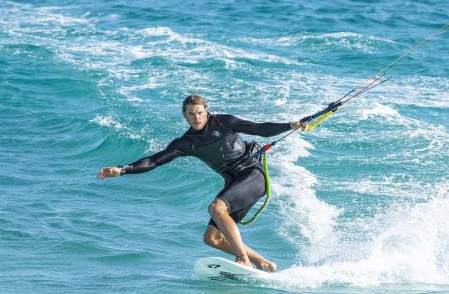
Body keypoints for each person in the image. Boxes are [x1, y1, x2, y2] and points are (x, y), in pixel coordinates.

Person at [98, 95, 306, 272]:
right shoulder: (186, 143)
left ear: (206, 111)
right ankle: (264, 264)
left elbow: (260, 129)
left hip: (253, 174)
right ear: (184, 115)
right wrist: (122, 169)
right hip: (234, 183)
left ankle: (242, 259)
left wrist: (291, 125)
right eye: (191, 114)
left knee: (216, 207)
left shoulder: (224, 123)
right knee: (212, 238)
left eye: (199, 112)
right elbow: (154, 160)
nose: (196, 118)